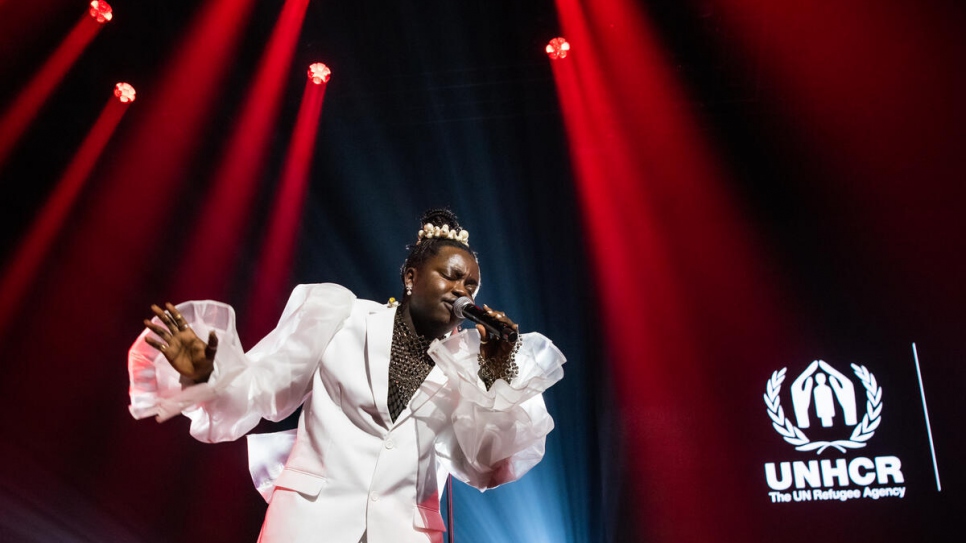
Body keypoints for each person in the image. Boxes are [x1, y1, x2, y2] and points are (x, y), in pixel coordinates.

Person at [127, 208, 565, 543]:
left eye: (471, 286)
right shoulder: (340, 314)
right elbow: (263, 388)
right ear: (411, 277)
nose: (461, 291)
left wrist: (497, 372)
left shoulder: (467, 369)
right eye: (451, 276)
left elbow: (485, 466)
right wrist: (211, 373)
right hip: (309, 526)